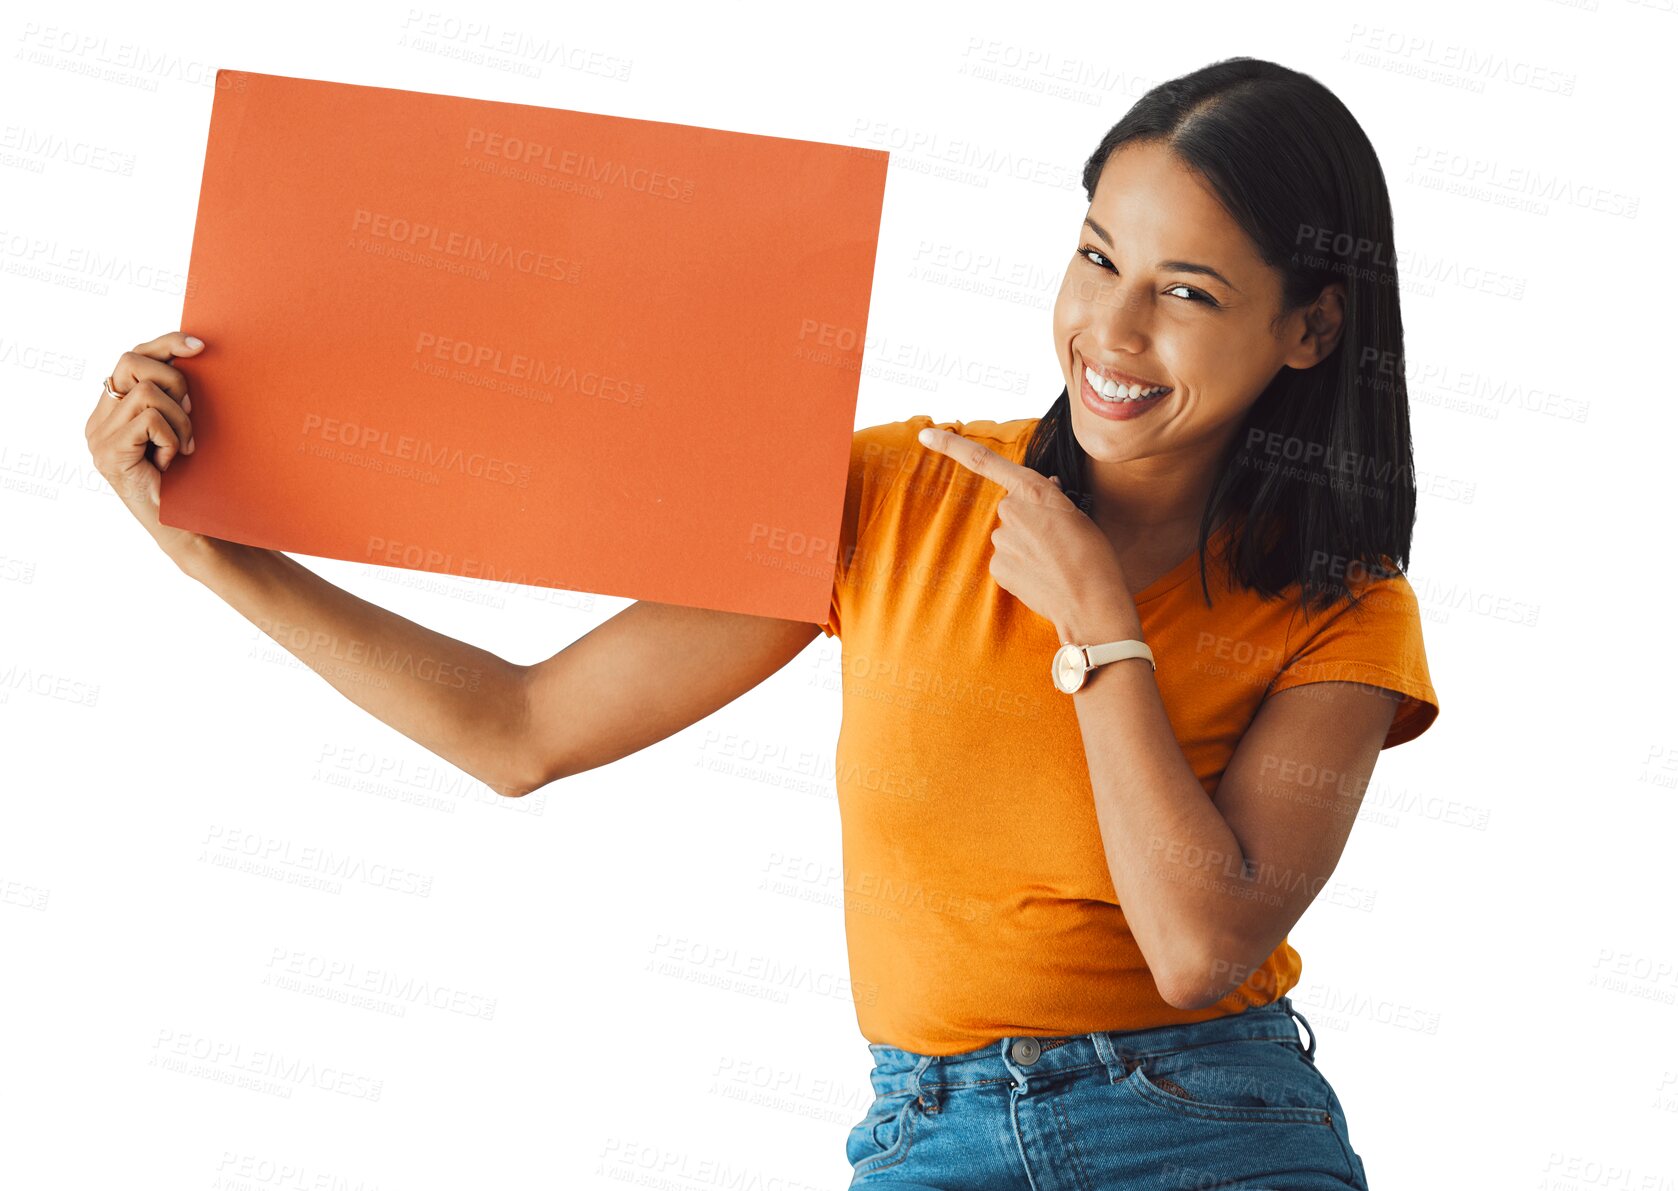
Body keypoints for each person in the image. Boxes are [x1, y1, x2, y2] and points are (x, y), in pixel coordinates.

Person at [85, 54, 1434, 1191]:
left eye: (1186, 292)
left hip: (1201, 1127)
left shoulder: (1343, 609)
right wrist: (212, 553)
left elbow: (1198, 949)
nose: (1110, 327)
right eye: (1097, 256)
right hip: (922, 1134)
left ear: (1310, 329)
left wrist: (1098, 628)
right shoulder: (897, 494)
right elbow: (523, 728)